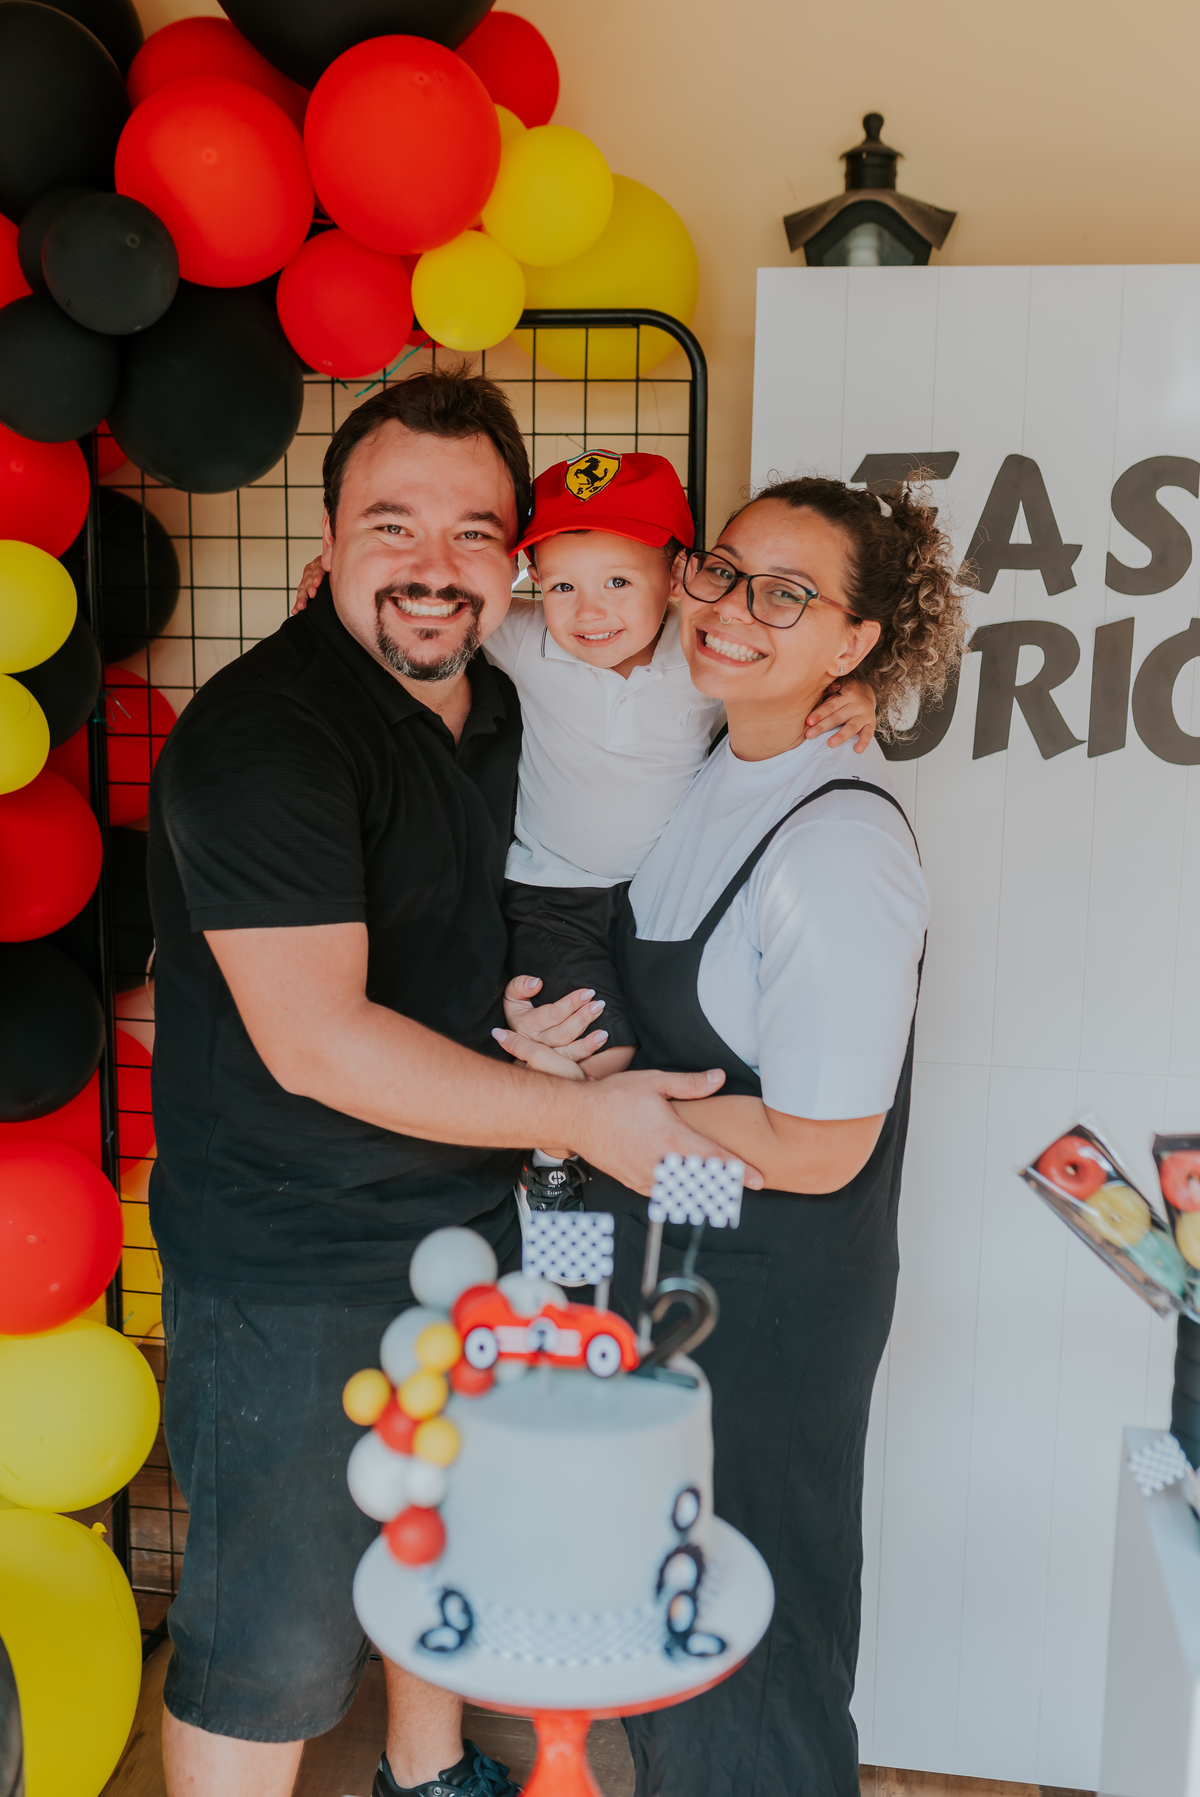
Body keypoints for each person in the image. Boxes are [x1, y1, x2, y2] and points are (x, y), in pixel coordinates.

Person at [147, 367, 747, 1797]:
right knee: (273, 1643)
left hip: (459, 1227)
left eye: (474, 532)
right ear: (329, 547)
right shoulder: (266, 738)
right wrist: (583, 1113)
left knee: (440, 1543)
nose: (433, 566)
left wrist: (524, 1031)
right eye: (393, 526)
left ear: (514, 563)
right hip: (292, 1260)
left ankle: (428, 1776)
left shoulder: (490, 710)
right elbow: (319, 1039)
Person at [498, 474, 967, 1797]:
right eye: (723, 569)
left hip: (766, 1313)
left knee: (752, 1647)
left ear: (855, 645)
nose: (729, 611)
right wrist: (563, 1063)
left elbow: (824, 1144)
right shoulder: (713, 762)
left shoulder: (838, 853)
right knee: (666, 1631)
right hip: (676, 1281)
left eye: (789, 595)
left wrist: (589, 1112)